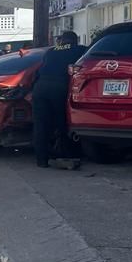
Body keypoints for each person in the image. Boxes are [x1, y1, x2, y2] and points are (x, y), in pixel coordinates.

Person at [31, 30, 87, 168]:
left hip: (40, 88)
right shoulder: (79, 49)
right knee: (62, 122)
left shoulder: (51, 51)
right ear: (75, 41)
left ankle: (41, 160)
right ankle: (66, 155)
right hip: (59, 87)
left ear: (61, 41)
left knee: (40, 124)